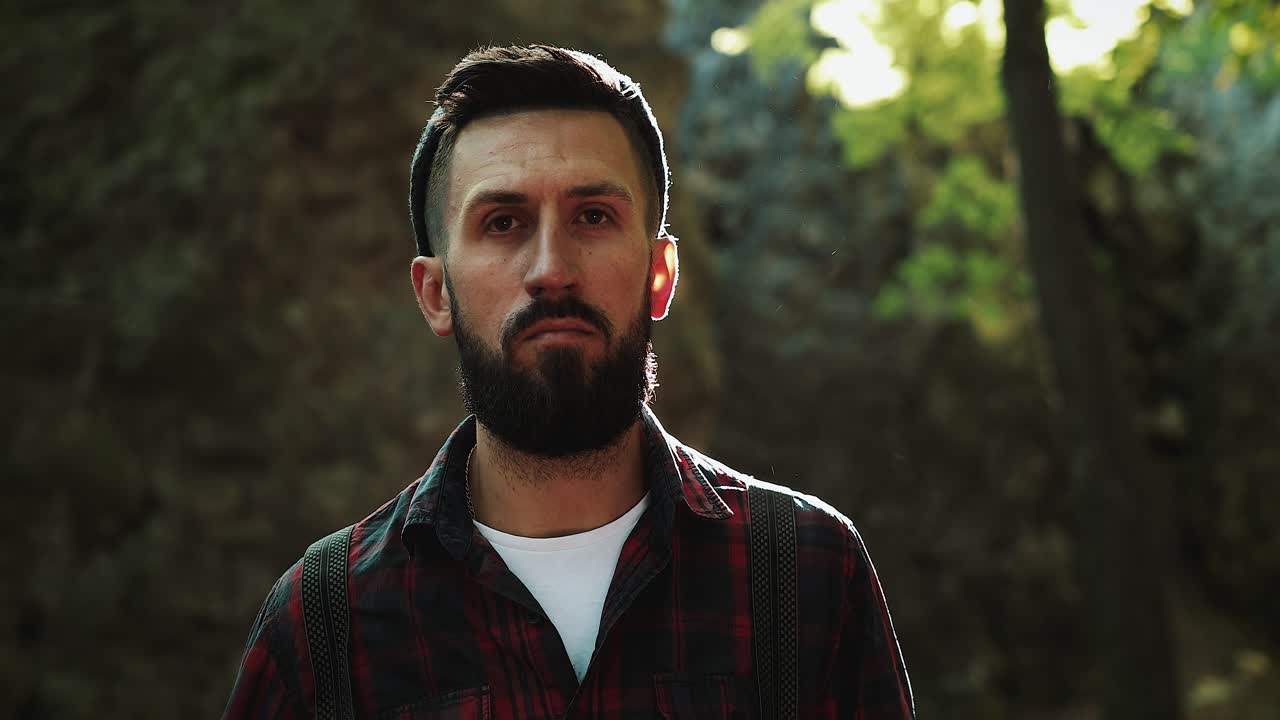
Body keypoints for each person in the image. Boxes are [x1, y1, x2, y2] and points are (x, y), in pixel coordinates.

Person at [223, 44, 914, 719]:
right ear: (436, 293)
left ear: (659, 275)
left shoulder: (808, 575)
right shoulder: (322, 627)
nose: (551, 268)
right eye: (503, 222)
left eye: (593, 216)